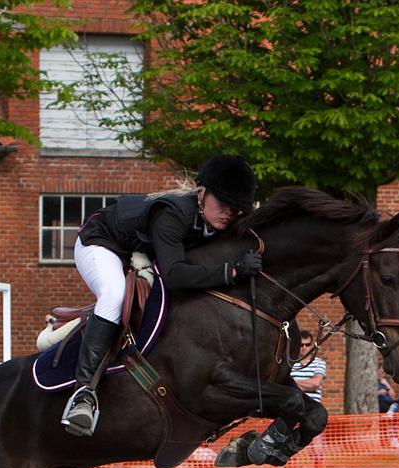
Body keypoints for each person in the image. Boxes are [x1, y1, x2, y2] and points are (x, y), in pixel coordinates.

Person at [62, 154, 259, 436]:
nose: (229, 212)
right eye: (223, 203)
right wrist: (233, 272)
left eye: (237, 208)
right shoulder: (173, 214)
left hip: (140, 251)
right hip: (101, 242)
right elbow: (176, 275)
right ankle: (83, 394)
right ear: (201, 194)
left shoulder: (214, 220)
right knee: (115, 295)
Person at [290, 331, 328, 468]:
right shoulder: (291, 365)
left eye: (307, 344)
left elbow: (316, 383)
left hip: (313, 411)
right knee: (290, 448)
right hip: (293, 410)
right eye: (301, 345)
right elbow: (286, 386)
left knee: (318, 450)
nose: (304, 348)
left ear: (312, 345)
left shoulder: (319, 363)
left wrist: (294, 384)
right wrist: (306, 384)